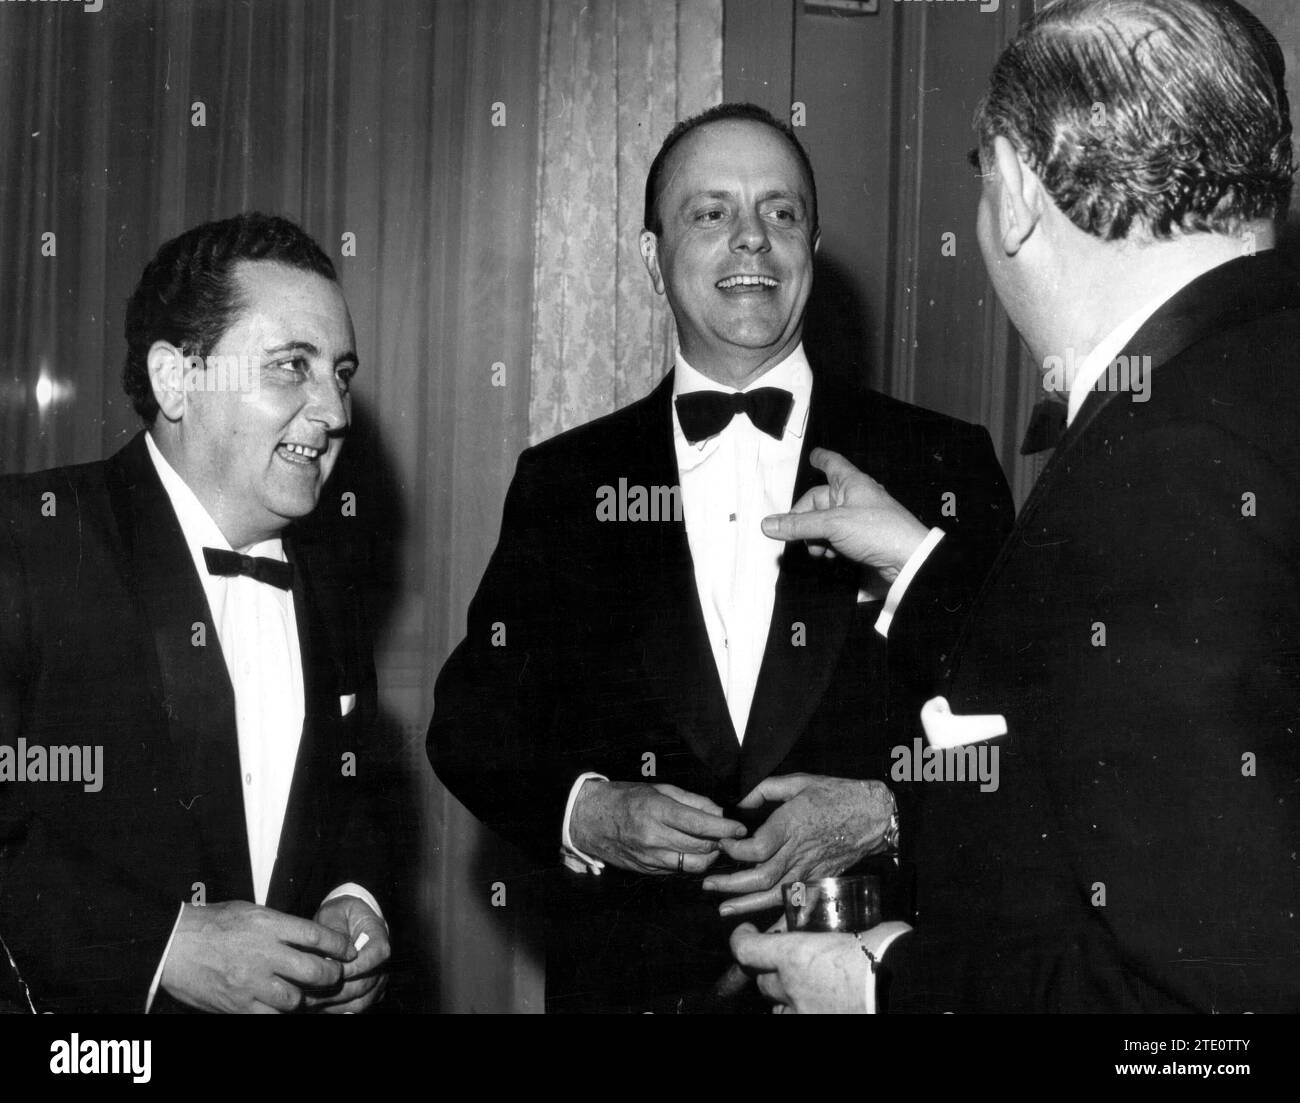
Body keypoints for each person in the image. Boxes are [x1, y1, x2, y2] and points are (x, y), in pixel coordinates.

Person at [734, 0, 1300, 1013]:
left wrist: (885, 984)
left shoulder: (1166, 465)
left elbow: (1205, 1024)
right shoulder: (1242, 387)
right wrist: (920, 561)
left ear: (1016, 191)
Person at [429, 103, 1013, 1012]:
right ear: (650, 256)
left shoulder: (943, 459)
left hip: (873, 983)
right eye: (711, 213)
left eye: (781, 213)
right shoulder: (564, 480)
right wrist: (590, 811)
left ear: (813, 247)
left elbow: (1021, 730)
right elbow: (473, 720)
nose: (752, 240)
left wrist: (885, 808)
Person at [0, 212, 392, 1013]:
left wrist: (357, 895)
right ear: (178, 380)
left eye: (340, 373)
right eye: (291, 366)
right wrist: (161, 944)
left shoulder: (333, 580)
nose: (336, 409)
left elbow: (347, 797)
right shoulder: (28, 540)